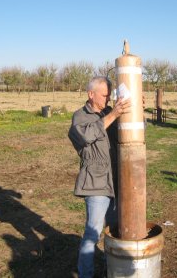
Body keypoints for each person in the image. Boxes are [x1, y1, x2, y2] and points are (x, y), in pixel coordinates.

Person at [68, 76, 130, 278]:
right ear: (91, 94)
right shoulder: (80, 117)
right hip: (96, 183)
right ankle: (86, 274)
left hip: (115, 181)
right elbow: (86, 136)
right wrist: (113, 114)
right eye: (105, 95)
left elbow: (133, 132)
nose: (108, 98)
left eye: (110, 95)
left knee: (113, 231)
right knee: (92, 232)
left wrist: (135, 110)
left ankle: (110, 267)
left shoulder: (107, 112)